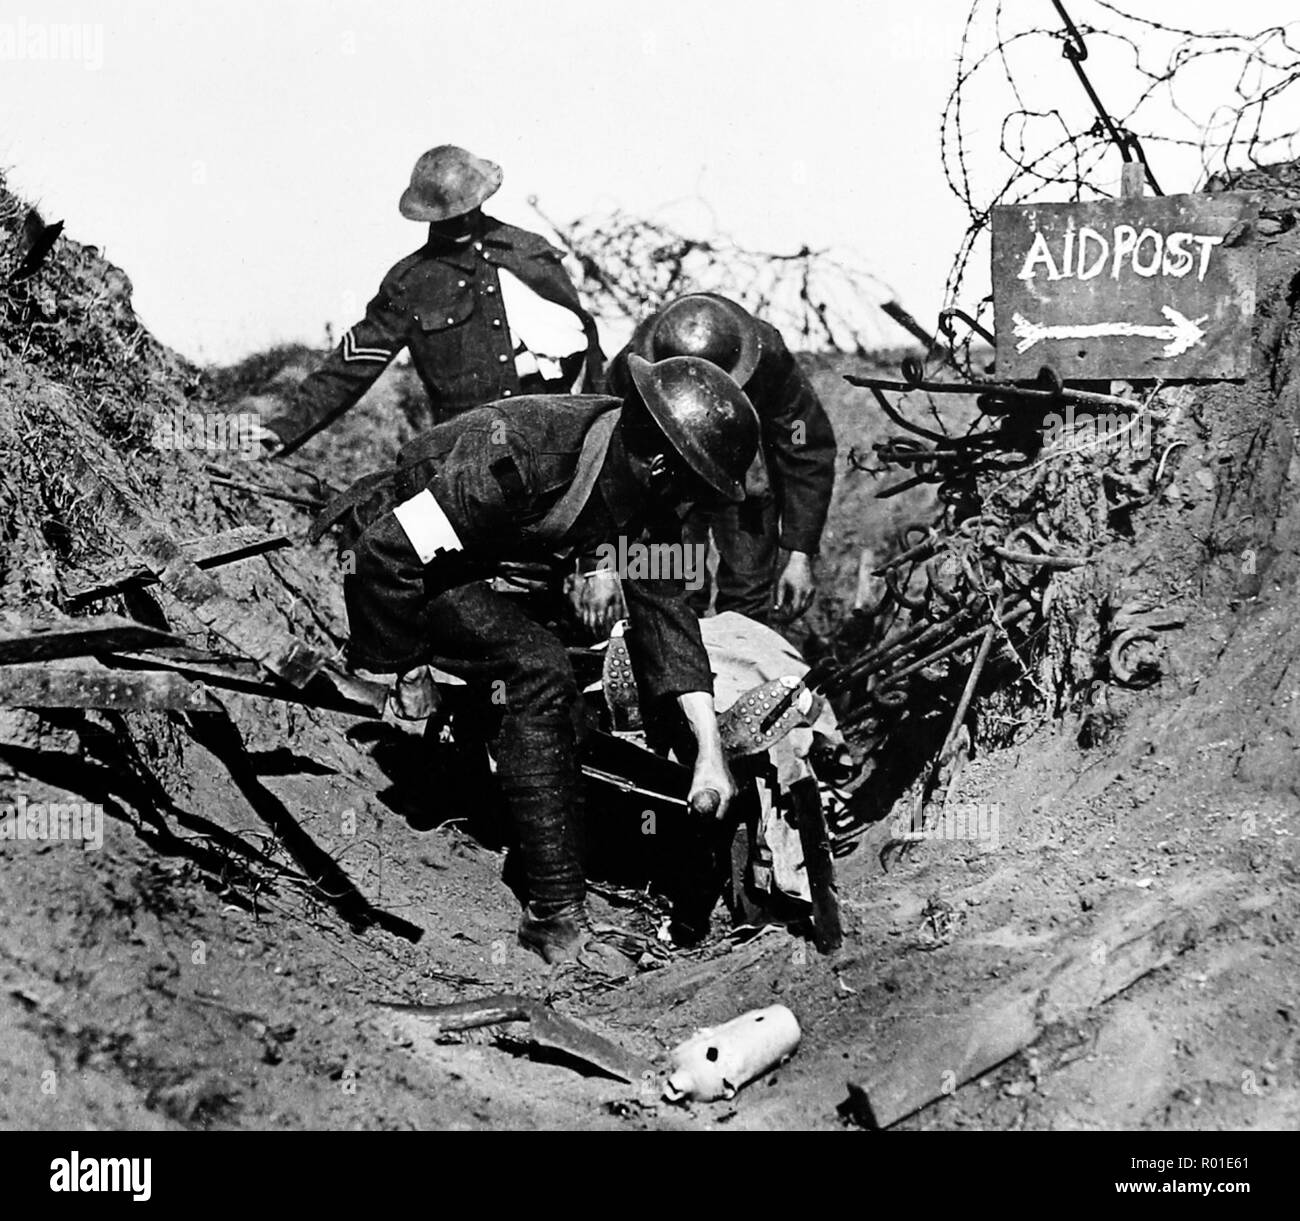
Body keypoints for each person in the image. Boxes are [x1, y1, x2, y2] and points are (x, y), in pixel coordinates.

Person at [312, 355, 759, 964]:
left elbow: (670, 622)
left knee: (568, 685)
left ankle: (510, 802)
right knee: (537, 667)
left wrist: (709, 753)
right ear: (661, 468)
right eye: (696, 492)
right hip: (410, 566)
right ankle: (555, 916)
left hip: (493, 558)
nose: (694, 510)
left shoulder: (644, 493)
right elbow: (387, 552)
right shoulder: (520, 456)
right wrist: (408, 670)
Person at [257, 145, 604, 454]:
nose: (461, 218)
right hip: (469, 451)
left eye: (467, 208)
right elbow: (351, 365)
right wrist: (285, 429)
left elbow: (585, 342)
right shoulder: (411, 284)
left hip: (556, 434)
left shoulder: (528, 249)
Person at [603, 293, 836, 626]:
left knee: (748, 600)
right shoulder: (633, 367)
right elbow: (611, 460)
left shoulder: (769, 361)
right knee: (673, 594)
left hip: (746, 483)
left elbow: (803, 444)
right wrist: (602, 562)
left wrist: (800, 552)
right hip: (671, 482)